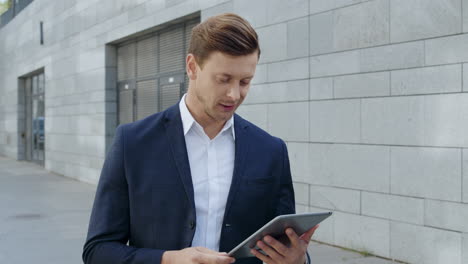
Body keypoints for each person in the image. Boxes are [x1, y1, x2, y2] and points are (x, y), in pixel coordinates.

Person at [82, 13, 318, 264]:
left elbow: (284, 244)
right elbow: (98, 251)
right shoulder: (133, 143)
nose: (234, 94)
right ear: (192, 66)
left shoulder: (271, 150)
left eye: (245, 82)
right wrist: (168, 260)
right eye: (223, 79)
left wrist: (298, 260)